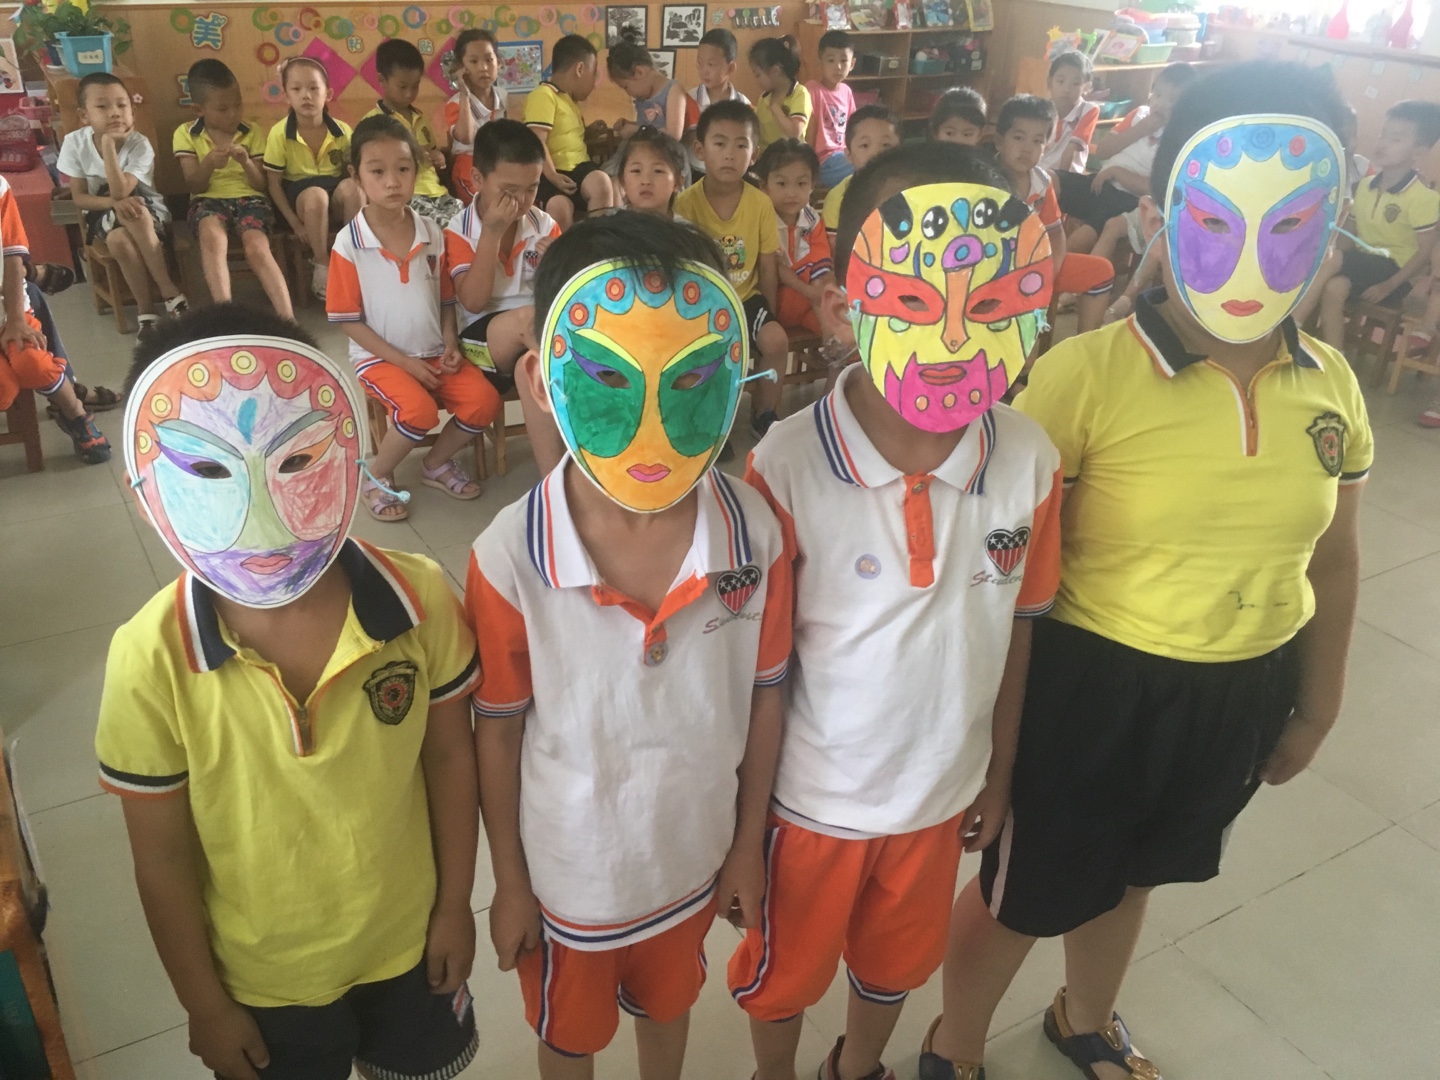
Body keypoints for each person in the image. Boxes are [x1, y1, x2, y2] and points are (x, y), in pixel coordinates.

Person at [923, 63, 1372, 1080]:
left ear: (1328, 226)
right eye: (1220, 219)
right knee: (1025, 895)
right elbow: (996, 566)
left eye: (1292, 223)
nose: (1254, 254)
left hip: (1241, 688)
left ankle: (1083, 1018)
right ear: (1170, 212)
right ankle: (954, 1045)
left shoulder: (1331, 385)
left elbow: (1337, 559)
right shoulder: (1085, 377)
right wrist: (984, 738)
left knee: (1137, 875)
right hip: (1093, 690)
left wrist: (1315, 707)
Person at [729, 140, 1061, 1080]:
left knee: (893, 967)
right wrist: (746, 829)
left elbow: (1021, 627)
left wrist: (996, 774)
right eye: (915, 299)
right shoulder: (786, 465)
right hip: (812, 805)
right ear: (845, 304)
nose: (954, 336)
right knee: (784, 978)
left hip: (939, 796)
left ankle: (859, 1066)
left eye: (989, 303)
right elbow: (758, 670)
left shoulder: (1029, 459)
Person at [100, 303, 480, 1080]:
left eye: (298, 460)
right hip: (264, 980)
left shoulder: (421, 600)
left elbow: (450, 761)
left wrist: (454, 906)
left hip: (409, 943)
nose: (263, 517)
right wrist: (205, 1004)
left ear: (349, 453)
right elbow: (161, 859)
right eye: (209, 470)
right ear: (148, 490)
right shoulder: (148, 659)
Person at [469, 211, 793, 1080]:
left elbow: (766, 691)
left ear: (734, 375)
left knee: (668, 1010)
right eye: (610, 375)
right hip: (572, 876)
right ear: (542, 381)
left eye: (691, 379)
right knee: (569, 1037)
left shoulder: (756, 532)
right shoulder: (509, 556)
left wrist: (745, 845)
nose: (654, 420)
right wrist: (509, 882)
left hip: (692, 853)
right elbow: (497, 728)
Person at [328, 116, 499, 521]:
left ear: (416, 170)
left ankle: (435, 463)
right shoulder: (349, 243)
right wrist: (404, 363)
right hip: (381, 359)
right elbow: (348, 320)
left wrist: (451, 342)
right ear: (356, 175)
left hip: (435, 351)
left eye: (403, 169)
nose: (392, 182)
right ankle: (376, 476)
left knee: (484, 402)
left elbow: (445, 299)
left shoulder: (431, 232)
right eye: (378, 171)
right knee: (418, 412)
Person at [446, 118, 566, 476]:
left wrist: (556, 266)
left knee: (533, 369)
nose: (522, 200)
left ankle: (554, 480)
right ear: (477, 179)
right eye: (509, 190)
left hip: (535, 340)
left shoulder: (544, 225)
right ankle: (583, 403)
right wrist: (491, 234)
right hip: (479, 345)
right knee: (531, 323)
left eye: (532, 188)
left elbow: (565, 295)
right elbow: (473, 302)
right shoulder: (459, 230)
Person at [674, 100, 788, 438]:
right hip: (703, 302)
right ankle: (710, 422)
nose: (729, 155)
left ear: (754, 155)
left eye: (741, 146)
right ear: (700, 150)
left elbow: (767, 264)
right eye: (720, 143)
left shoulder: (761, 203)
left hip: (747, 299)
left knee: (776, 340)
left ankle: (765, 413)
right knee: (710, 351)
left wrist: (770, 313)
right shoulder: (685, 204)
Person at [1292, 99, 1440, 349]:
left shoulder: (1424, 198)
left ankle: (1290, 327)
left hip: (1396, 275)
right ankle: (1337, 360)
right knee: (1334, 288)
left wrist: (1389, 285)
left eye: (1395, 139)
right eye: (1383, 134)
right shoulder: (1364, 187)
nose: (1382, 143)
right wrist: (1333, 259)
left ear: (1418, 152)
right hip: (1363, 268)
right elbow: (1348, 235)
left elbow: (1424, 253)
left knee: (1332, 259)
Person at [58, 72, 186, 336]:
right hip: (100, 212)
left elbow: (121, 191)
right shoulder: (74, 143)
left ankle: (148, 310)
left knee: (128, 222)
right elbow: (80, 198)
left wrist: (109, 147)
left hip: (148, 210)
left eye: (121, 105)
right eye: (102, 107)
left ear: (132, 111)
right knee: (124, 224)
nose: (115, 113)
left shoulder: (140, 144)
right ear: (84, 116)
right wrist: (107, 146)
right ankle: (168, 294)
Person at [0, 173, 109, 462]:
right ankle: (36, 274)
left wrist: (15, 320)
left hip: (8, 307)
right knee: (4, 391)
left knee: (32, 361)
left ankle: (76, 414)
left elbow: (10, 255)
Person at [173, 59, 292, 319]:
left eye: (238, 104)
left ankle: (287, 317)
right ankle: (225, 313)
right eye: (223, 109)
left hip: (251, 200)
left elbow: (261, 185)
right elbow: (194, 185)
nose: (233, 114)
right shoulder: (186, 133)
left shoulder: (252, 131)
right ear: (199, 109)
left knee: (256, 246)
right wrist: (208, 164)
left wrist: (246, 162)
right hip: (207, 201)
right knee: (212, 237)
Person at [994, 95, 1113, 336]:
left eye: (1037, 141)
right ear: (999, 141)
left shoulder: (1042, 182)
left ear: (1046, 146)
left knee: (1101, 273)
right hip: (993, 268)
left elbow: (1056, 235)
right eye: (1018, 138)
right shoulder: (985, 178)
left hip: (1036, 266)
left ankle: (1083, 347)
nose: (1027, 148)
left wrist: (1049, 274)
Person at [1056, 62, 1197, 254]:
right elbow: (1103, 151)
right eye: (1158, 94)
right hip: (1099, 183)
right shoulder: (1139, 115)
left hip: (1130, 200)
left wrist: (1117, 173)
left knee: (1085, 235)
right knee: (1049, 181)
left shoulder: (1181, 140)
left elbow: (1159, 190)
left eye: (1172, 100)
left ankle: (1064, 268)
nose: (1161, 104)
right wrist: (1141, 129)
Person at [263, 56, 362, 300]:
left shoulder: (342, 131)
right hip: (301, 201)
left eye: (313, 88)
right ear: (286, 95)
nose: (306, 96)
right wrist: (295, 224)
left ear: (328, 94)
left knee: (355, 188)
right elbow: (273, 184)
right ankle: (322, 264)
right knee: (316, 196)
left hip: (334, 197)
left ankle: (351, 259)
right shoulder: (279, 133)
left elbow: (354, 172)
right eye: (296, 89)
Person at [365, 38, 465, 228]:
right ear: (381, 80)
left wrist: (438, 158)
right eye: (402, 86)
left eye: (415, 86)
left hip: (438, 192)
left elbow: (433, 153)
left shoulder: (421, 118)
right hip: (406, 197)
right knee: (447, 227)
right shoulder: (373, 123)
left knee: (468, 224)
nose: (409, 93)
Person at [525, 34, 615, 231]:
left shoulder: (570, 101)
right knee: (560, 207)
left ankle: (598, 241)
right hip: (551, 173)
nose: (594, 84)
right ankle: (571, 248)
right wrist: (553, 175)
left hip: (580, 169)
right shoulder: (544, 95)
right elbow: (536, 141)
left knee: (602, 183)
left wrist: (590, 132)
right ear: (580, 69)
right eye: (594, 75)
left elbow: (567, 138)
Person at [757, 139, 830, 336]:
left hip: (808, 304)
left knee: (837, 322)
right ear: (764, 186)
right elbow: (773, 267)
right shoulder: (761, 220)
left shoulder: (812, 219)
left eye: (801, 183)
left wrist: (820, 289)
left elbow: (821, 260)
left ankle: (833, 351)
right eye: (781, 184)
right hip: (775, 302)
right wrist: (811, 291)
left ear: (812, 185)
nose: (791, 193)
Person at [444, 28, 507, 203]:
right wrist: (464, 93)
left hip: (497, 166)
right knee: (489, 204)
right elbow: (466, 137)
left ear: (499, 62)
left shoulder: (502, 97)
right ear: (461, 67)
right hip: (468, 168)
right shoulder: (456, 103)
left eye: (489, 60)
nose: (483, 68)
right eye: (473, 61)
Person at [821, 104, 900, 233]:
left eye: (886, 145)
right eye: (864, 145)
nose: (875, 154)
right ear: (849, 155)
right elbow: (835, 243)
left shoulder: (909, 192)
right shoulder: (837, 198)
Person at [608, 34, 698, 143]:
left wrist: (637, 130)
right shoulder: (643, 97)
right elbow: (650, 126)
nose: (628, 93)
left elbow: (673, 135)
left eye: (626, 87)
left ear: (639, 72)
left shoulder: (674, 90)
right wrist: (630, 125)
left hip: (668, 151)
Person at [688, 28, 750, 179]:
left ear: (730, 68)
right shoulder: (689, 98)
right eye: (700, 63)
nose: (704, 71)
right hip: (696, 172)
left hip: (730, 175)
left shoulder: (743, 104)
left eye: (711, 64)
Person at [807, 30, 857, 188]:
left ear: (852, 64)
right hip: (823, 163)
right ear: (819, 62)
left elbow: (853, 128)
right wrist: (809, 169)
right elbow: (809, 133)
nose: (838, 67)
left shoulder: (846, 91)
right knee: (864, 163)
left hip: (844, 155)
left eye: (844, 60)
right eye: (831, 60)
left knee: (870, 158)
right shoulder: (813, 90)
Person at [1040, 50, 1100, 174]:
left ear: (1087, 87)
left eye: (1075, 84)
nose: (1066, 89)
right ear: (1049, 83)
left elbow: (1070, 150)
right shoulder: (1040, 109)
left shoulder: (1089, 111)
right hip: (1037, 171)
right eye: (1061, 81)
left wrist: (1061, 179)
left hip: (1068, 175)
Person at [750, 36, 811, 153]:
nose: (756, 80)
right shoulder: (764, 98)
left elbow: (794, 133)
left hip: (791, 158)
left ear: (775, 71)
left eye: (758, 75)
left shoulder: (799, 93)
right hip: (766, 158)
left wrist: (775, 109)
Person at [616, 126, 688, 215]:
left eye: (658, 171)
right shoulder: (609, 223)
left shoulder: (683, 224)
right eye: (636, 170)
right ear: (622, 181)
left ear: (677, 182)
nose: (646, 181)